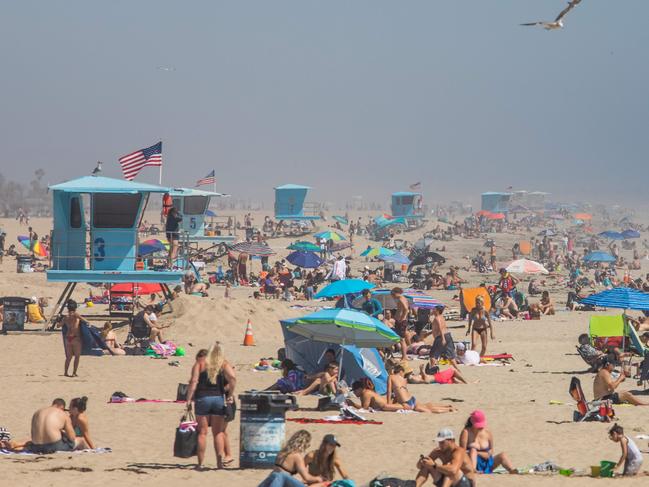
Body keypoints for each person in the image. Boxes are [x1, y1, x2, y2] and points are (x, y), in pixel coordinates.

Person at [186, 342, 237, 469]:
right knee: (218, 433)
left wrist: (188, 399)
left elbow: (193, 381)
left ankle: (200, 463)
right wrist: (230, 394)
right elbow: (233, 378)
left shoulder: (200, 364)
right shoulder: (223, 364)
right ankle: (219, 463)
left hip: (202, 399)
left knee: (202, 433)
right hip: (218, 399)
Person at [257, 430, 323, 486]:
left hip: (272, 479)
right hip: (281, 481)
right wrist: (318, 478)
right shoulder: (297, 456)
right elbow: (306, 477)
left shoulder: (282, 451)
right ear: (304, 443)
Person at [459, 410, 516, 474]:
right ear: (472, 422)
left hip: (487, 463)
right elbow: (462, 452)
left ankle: (512, 470)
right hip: (471, 463)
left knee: (502, 455)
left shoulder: (487, 432)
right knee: (473, 450)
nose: (480, 427)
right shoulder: (466, 432)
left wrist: (481, 453)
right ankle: (473, 470)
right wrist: (475, 453)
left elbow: (491, 450)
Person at [387, 365, 455, 413]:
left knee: (429, 410)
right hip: (412, 399)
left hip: (406, 403)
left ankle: (448, 410)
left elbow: (389, 391)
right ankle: (447, 406)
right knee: (426, 406)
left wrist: (388, 403)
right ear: (401, 371)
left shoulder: (391, 377)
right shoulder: (404, 380)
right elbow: (402, 392)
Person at [62, 300, 82, 377]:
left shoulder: (65, 317)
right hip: (75, 338)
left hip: (68, 338)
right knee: (77, 356)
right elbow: (85, 320)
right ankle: (74, 372)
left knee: (69, 357)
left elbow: (59, 325)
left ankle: (66, 372)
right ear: (75, 308)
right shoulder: (76, 315)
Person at [391, 287, 410, 356]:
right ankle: (404, 355)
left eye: (392, 295)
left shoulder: (401, 299)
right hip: (400, 321)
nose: (392, 297)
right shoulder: (404, 298)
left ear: (396, 293)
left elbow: (406, 309)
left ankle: (404, 356)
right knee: (401, 339)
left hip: (401, 321)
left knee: (401, 339)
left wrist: (402, 318)